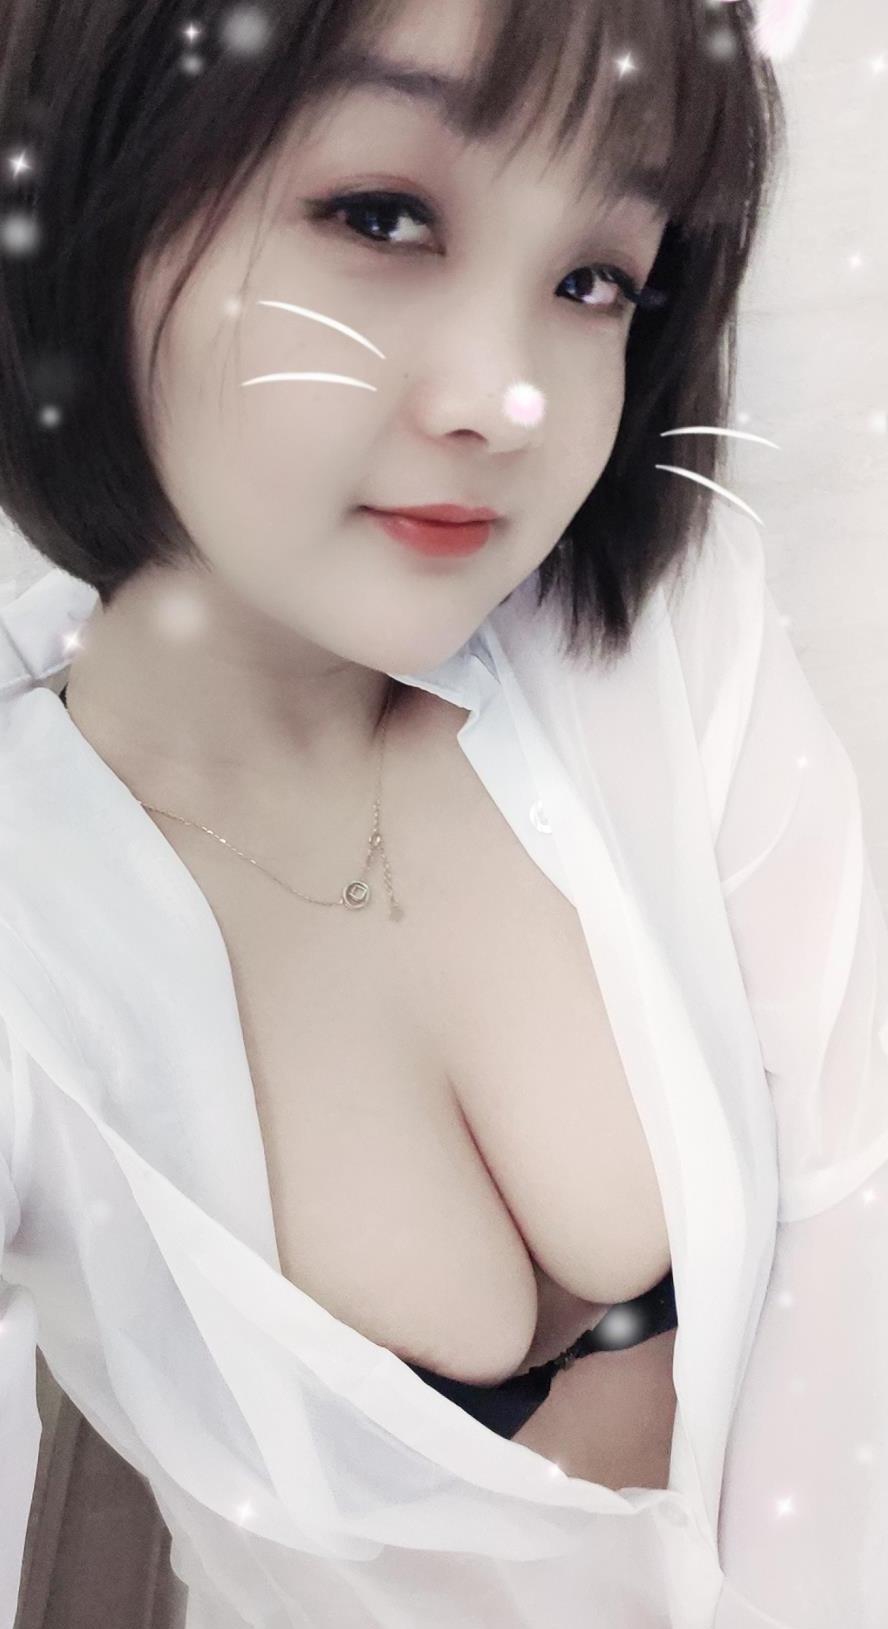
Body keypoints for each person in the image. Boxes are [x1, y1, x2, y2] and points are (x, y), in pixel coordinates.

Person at [2, 1, 886, 1626]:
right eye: (381, 216)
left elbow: (861, 1199)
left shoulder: (660, 637)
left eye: (593, 279)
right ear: (96, 192)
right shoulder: (29, 932)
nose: (510, 400)